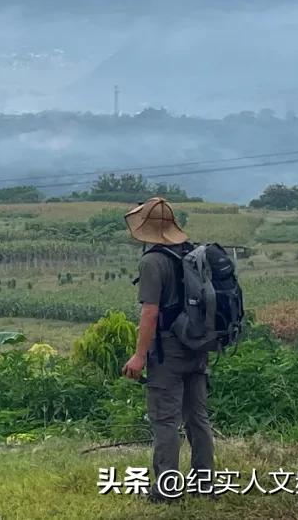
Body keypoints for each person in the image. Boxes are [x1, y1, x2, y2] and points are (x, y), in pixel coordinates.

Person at [120, 197, 214, 501]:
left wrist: (139, 356)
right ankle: (205, 484)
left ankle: (167, 490)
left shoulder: (152, 262)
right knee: (198, 418)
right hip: (197, 347)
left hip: (168, 353)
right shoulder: (191, 253)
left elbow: (150, 313)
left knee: (165, 421)